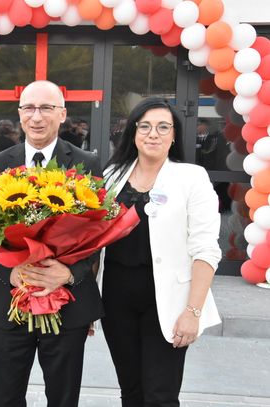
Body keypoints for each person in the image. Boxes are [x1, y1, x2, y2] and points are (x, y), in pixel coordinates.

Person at [0, 80, 103, 407]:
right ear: (20, 113)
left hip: (67, 307)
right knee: (5, 398)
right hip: (10, 305)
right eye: (29, 108)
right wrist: (10, 272)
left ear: (62, 114)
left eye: (46, 108)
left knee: (63, 399)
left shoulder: (86, 163)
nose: (36, 117)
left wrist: (70, 274)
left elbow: (99, 232)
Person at [97, 97, 222, 407]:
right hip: (116, 298)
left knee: (160, 395)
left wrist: (193, 312)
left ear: (174, 135)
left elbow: (206, 249)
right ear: (133, 132)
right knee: (131, 392)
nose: (153, 134)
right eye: (145, 127)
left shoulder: (192, 178)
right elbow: (94, 241)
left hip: (168, 301)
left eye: (163, 127)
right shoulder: (112, 176)